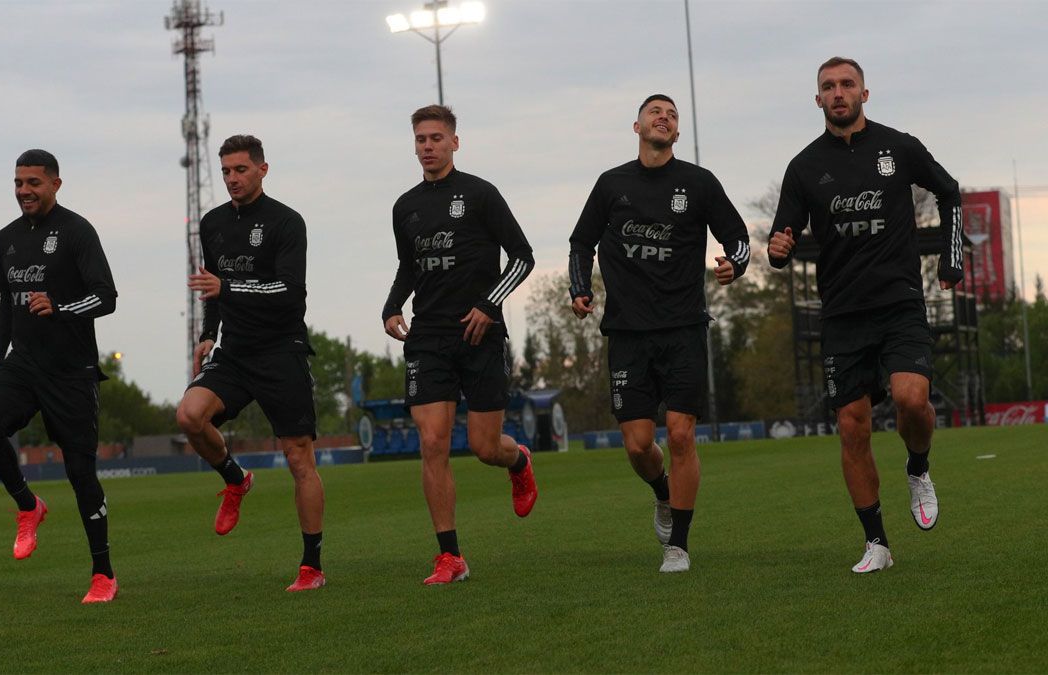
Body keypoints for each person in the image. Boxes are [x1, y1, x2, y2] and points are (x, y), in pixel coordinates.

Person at [768, 57, 962, 573]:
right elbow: (780, 241)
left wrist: (952, 256)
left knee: (911, 399)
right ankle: (877, 543)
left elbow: (950, 191)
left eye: (846, 84)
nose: (838, 93)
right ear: (817, 100)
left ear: (864, 93)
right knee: (853, 427)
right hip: (843, 315)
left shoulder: (898, 147)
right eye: (828, 87)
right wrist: (778, 247)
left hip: (899, 304)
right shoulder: (804, 166)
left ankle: (918, 468)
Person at [569, 94, 751, 573]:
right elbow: (581, 241)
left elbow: (738, 237)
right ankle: (662, 494)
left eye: (671, 115)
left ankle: (680, 546)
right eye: (656, 112)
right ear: (637, 126)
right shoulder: (612, 185)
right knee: (636, 444)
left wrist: (736, 264)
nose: (664, 117)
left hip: (684, 327)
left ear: (676, 132)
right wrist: (579, 287)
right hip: (628, 332)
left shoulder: (698, 183)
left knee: (681, 434)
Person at [383, 104, 538, 585]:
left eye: (436, 138)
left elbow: (523, 257)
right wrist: (392, 306)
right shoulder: (404, 206)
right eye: (420, 139)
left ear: (455, 141)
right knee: (432, 442)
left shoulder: (479, 194)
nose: (427, 146)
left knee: (484, 447)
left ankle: (519, 461)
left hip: (480, 335)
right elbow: (409, 267)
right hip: (428, 338)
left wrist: (490, 306)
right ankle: (450, 556)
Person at [175, 134, 327, 592]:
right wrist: (207, 334)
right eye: (225, 171)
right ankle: (235, 479)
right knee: (188, 415)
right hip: (236, 354)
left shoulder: (286, 222)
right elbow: (213, 290)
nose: (232, 179)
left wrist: (229, 289)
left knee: (299, 458)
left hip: (282, 351)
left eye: (240, 169)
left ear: (263, 169)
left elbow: (289, 295)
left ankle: (311, 566)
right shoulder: (213, 223)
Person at [0, 149, 119, 603]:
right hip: (24, 363)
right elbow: (6, 301)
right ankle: (28, 506)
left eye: (33, 182)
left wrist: (60, 309)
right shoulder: (4, 239)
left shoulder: (77, 231)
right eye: (18, 182)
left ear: (55, 183)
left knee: (79, 471)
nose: (23, 191)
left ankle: (103, 575)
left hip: (71, 371)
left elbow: (107, 297)